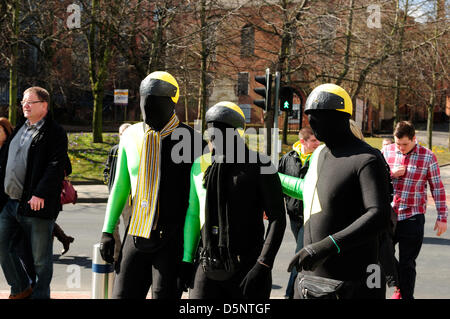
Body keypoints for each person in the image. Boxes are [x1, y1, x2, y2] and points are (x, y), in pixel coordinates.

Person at [279, 83, 392, 299]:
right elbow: (311, 192)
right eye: (310, 117)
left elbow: (378, 215)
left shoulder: (366, 159)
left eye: (319, 117)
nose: (313, 124)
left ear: (341, 118)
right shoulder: (320, 154)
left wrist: (326, 246)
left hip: (352, 282)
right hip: (310, 281)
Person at [99, 71, 205, 299]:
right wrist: (107, 230)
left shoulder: (195, 142)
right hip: (136, 234)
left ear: (172, 102)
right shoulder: (130, 136)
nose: (147, 106)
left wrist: (188, 256)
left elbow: (196, 206)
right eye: (144, 99)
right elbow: (120, 186)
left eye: (155, 100)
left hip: (173, 239)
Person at [179, 101, 286, 299]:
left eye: (221, 131)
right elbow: (194, 214)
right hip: (207, 263)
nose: (213, 137)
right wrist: (187, 260)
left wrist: (264, 263)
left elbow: (277, 218)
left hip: (248, 266)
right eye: (210, 131)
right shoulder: (203, 166)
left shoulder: (260, 164)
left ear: (237, 133)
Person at [0, 86, 69, 299]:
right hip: (10, 203)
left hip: (36, 204)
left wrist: (39, 193)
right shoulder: (21, 126)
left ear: (44, 105)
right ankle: (21, 288)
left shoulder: (54, 132)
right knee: (3, 247)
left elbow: (56, 165)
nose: (25, 105)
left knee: (41, 260)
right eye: (22, 102)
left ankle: (40, 296)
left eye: (30, 102)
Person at [381, 121, 448, 299]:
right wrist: (391, 174)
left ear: (414, 139)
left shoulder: (427, 156)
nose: (401, 148)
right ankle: (398, 284)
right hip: (389, 215)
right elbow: (374, 179)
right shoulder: (386, 152)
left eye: (405, 144)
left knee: (407, 263)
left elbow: (437, 188)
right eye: (398, 144)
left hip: (413, 216)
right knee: (381, 254)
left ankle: (405, 295)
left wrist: (442, 216)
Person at [278, 126, 320, 299]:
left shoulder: (319, 158)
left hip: (312, 215)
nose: (318, 143)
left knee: (299, 253)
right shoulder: (288, 158)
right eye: (314, 141)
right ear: (303, 141)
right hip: (294, 214)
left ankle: (289, 295)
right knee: (305, 255)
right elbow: (277, 184)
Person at [103, 123, 132, 262]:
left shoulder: (134, 151)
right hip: (113, 193)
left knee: (129, 225)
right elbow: (107, 168)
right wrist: (108, 183)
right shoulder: (114, 150)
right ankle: (117, 252)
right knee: (112, 226)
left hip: (128, 196)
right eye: (122, 134)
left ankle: (128, 252)